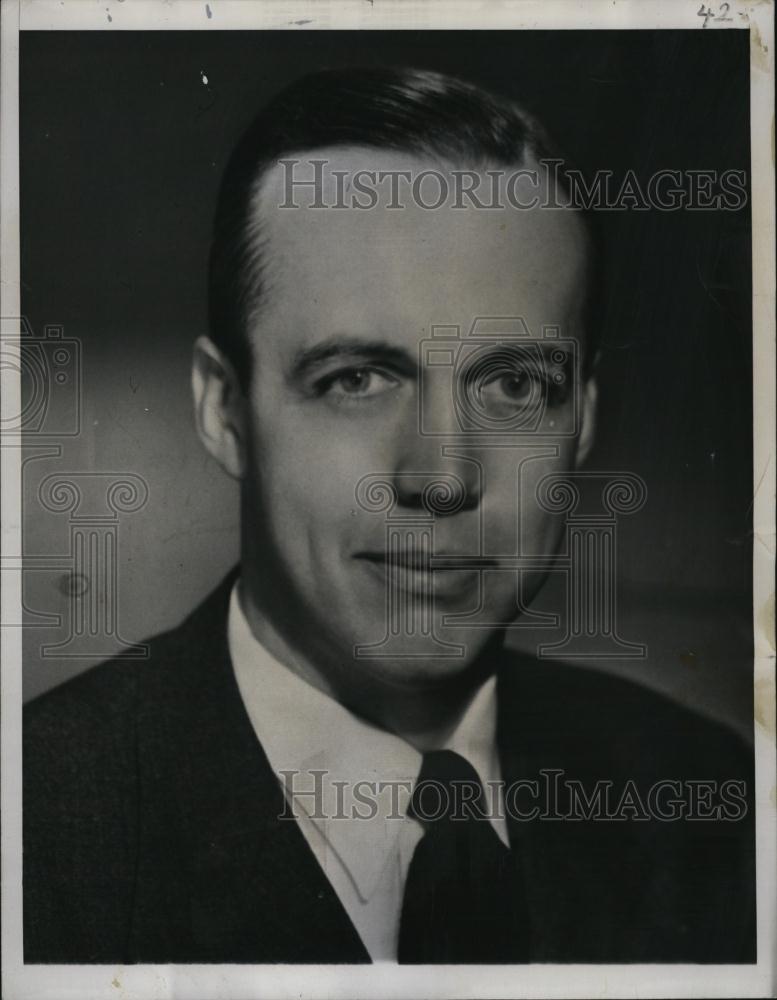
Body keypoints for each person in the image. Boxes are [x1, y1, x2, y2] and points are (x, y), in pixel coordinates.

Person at [23, 67, 754, 964]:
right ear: (225, 413)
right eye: (356, 380)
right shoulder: (37, 836)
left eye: (514, 385)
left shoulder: (716, 798)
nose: (441, 476)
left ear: (582, 422)